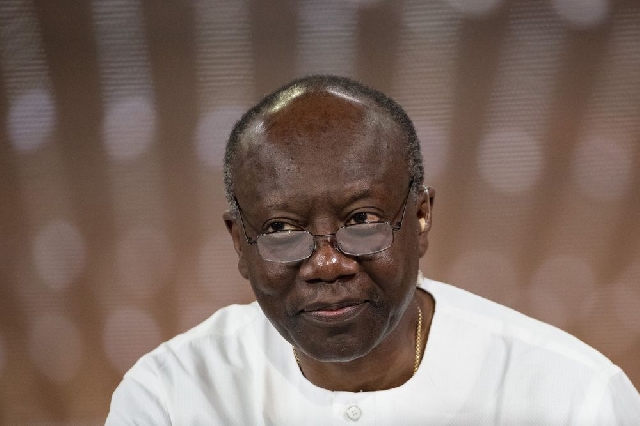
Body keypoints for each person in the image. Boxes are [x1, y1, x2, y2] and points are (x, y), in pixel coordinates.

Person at [106, 75, 640, 424]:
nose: (327, 264)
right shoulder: (170, 396)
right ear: (239, 243)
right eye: (281, 229)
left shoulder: (573, 397)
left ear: (421, 215)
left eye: (362, 221)